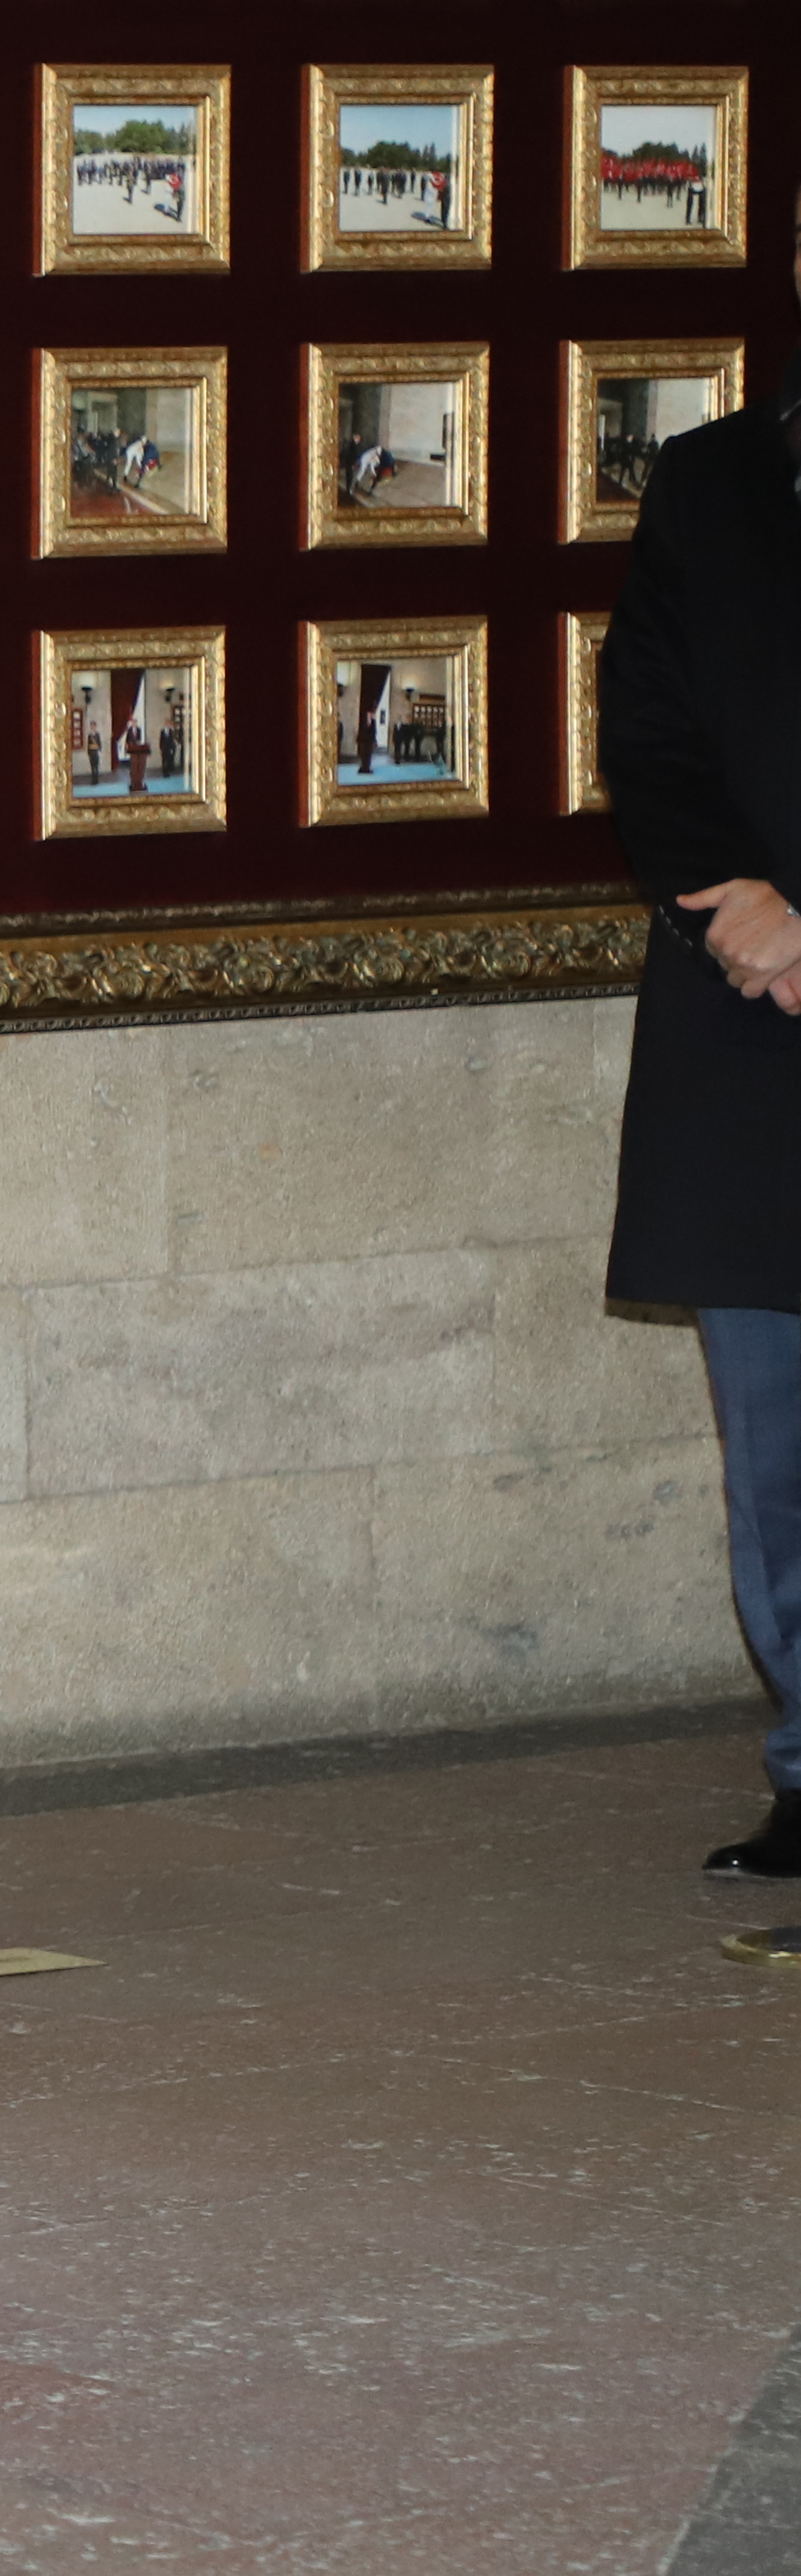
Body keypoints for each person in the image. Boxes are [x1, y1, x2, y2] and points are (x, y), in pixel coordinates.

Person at [595, 393, 801, 1905]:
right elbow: (647, 719)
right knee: (778, 1446)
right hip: (751, 1027)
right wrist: (740, 905)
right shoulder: (711, 477)